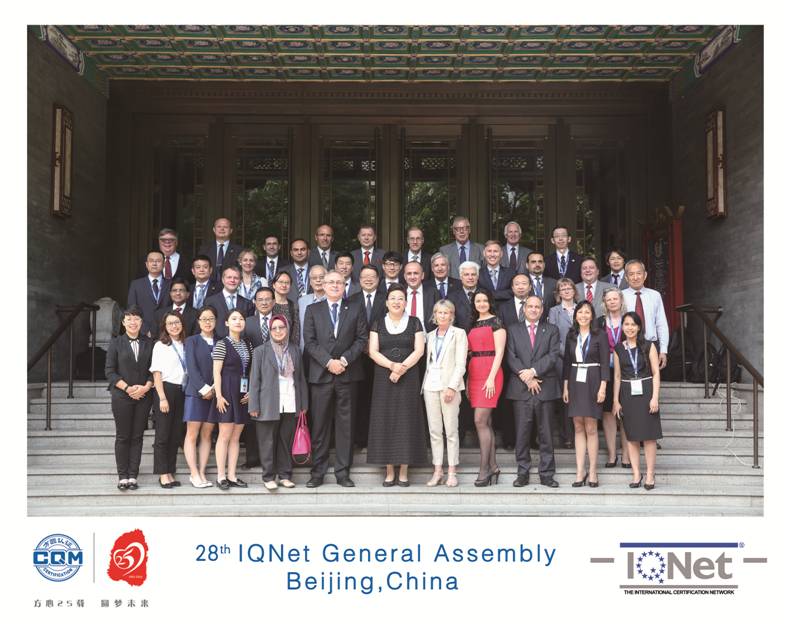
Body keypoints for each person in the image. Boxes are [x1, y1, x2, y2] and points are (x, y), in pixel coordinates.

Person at [302, 270, 369, 488]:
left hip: (348, 375)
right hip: (321, 376)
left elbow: (361, 339)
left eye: (339, 282)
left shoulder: (356, 308)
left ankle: (343, 472)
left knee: (345, 427)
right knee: (320, 426)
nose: (335, 285)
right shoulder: (313, 310)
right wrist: (328, 362)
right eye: (330, 282)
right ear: (323, 285)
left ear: (344, 286)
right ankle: (317, 472)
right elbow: (309, 341)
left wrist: (344, 360)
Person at [367, 284, 427, 486]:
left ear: (405, 302)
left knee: (406, 420)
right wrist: (392, 366)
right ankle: (389, 470)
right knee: (385, 420)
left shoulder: (414, 322)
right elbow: (373, 351)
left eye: (400, 298)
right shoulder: (378, 323)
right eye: (392, 298)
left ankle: (404, 470)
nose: (396, 302)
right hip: (383, 377)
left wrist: (402, 369)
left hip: (409, 378)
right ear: (386, 302)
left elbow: (419, 350)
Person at [506, 295, 561, 488]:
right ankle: (523, 473)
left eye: (537, 307)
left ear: (542, 309)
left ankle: (547, 474)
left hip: (545, 388)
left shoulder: (552, 330)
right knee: (522, 433)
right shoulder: (513, 329)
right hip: (521, 389)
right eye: (530, 306)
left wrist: (533, 371)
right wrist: (527, 377)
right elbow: (510, 356)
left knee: (546, 433)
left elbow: (553, 355)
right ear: (524, 309)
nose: (533, 309)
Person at [249, 315, 308, 490]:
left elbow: (300, 378)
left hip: (290, 402)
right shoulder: (260, 351)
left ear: (287, 329)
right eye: (274, 328)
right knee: (267, 442)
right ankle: (268, 477)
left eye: (281, 327)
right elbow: (254, 380)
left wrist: (303, 404)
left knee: (285, 441)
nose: (278, 331)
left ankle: (285, 475)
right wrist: (253, 405)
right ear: (269, 331)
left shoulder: (295, 350)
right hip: (267, 403)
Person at [105, 306, 154, 491]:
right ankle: (122, 476)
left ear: (141, 322)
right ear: (123, 323)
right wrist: (127, 388)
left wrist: (146, 387)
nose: (133, 322)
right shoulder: (116, 343)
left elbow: (154, 369)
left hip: (144, 396)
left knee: (137, 436)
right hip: (121, 396)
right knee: (123, 436)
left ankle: (133, 475)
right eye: (129, 319)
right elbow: (109, 371)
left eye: (137, 319)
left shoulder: (150, 343)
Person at [562, 301, 610, 488]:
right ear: (575, 315)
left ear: (592, 316)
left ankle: (593, 471)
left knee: (591, 427)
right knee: (578, 426)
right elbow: (567, 363)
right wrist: (565, 386)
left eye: (587, 312)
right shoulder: (571, 335)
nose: (583, 315)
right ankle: (580, 470)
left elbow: (605, 363)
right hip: (575, 380)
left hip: (593, 380)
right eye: (580, 312)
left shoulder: (600, 335)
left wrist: (603, 387)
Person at [612, 312, 662, 490]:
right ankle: (636, 474)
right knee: (632, 436)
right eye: (626, 324)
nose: (630, 328)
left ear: (639, 327)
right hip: (627, 393)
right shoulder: (618, 348)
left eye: (633, 324)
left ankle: (650, 474)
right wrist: (616, 400)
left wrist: (655, 397)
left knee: (649, 437)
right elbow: (617, 376)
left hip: (646, 391)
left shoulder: (648, 346)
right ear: (622, 327)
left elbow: (656, 373)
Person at [422, 299, 467, 487]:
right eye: (439, 312)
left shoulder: (459, 333)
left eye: (446, 312)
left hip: (450, 387)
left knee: (451, 430)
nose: (442, 315)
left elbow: (461, 364)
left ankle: (452, 471)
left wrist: (452, 387)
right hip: (430, 386)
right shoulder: (430, 335)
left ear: (451, 315)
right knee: (434, 431)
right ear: (434, 315)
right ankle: (438, 470)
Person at [208, 308, 252, 490]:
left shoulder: (248, 344)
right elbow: (216, 372)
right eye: (234, 319)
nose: (238, 321)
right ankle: (221, 476)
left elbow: (250, 370)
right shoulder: (222, 344)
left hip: (242, 392)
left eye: (241, 318)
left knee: (236, 437)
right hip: (226, 392)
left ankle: (232, 475)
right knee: (224, 435)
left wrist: (251, 391)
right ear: (226, 323)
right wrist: (218, 396)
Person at [467, 289, 506, 486]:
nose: (481, 304)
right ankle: (493, 466)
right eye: (478, 301)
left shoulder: (496, 322)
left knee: (479, 420)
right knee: (486, 422)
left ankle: (484, 470)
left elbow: (499, 353)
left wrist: (490, 378)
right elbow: (469, 353)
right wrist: (468, 381)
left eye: (484, 300)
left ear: (490, 302)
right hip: (474, 372)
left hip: (491, 372)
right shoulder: (473, 323)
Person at [150, 311, 188, 488]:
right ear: (165, 327)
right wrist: (162, 398)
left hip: (183, 390)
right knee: (163, 434)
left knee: (175, 434)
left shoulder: (186, 344)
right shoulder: (160, 345)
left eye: (177, 322)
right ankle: (162, 473)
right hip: (166, 390)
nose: (174, 326)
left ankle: (170, 471)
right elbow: (156, 373)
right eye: (170, 323)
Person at [349, 264, 385, 449]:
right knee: (360, 399)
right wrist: (362, 345)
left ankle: (378, 438)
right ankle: (360, 439)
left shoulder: (386, 299)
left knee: (379, 399)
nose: (368, 279)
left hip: (382, 357)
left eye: (372, 276)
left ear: (378, 280)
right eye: (365, 277)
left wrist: (375, 345)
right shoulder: (351, 300)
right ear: (359, 280)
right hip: (357, 357)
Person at [183, 305, 218, 488]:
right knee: (192, 434)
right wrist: (204, 389)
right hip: (195, 393)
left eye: (211, 318)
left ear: (216, 321)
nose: (207, 322)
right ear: (198, 322)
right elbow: (191, 367)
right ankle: (193, 473)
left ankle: (202, 472)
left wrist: (215, 389)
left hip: (215, 394)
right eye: (204, 319)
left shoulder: (221, 341)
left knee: (207, 434)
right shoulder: (192, 341)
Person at [597, 287, 631, 469]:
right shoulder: (599, 322)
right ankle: (612, 454)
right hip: (605, 373)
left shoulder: (629, 320)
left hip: (627, 370)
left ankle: (626, 454)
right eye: (608, 299)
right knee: (608, 412)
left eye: (615, 298)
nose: (612, 302)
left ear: (621, 300)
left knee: (625, 412)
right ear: (604, 302)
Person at [547, 277, 580, 449]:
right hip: (561, 360)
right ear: (558, 293)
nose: (566, 291)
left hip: (582, 360)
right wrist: (568, 354)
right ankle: (567, 436)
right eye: (563, 289)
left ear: (574, 291)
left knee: (578, 397)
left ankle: (579, 435)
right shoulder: (554, 311)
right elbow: (553, 336)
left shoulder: (582, 308)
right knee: (564, 399)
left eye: (569, 288)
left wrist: (580, 353)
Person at [622, 260, 670, 370]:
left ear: (645, 275)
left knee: (653, 378)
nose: (635, 277)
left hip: (651, 345)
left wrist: (663, 350)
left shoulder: (655, 295)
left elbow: (661, 323)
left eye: (639, 273)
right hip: (627, 345)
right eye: (631, 274)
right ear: (626, 278)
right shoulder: (620, 296)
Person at [127, 250, 170, 337]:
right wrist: (144, 330)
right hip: (143, 334)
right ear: (146, 264)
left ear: (164, 264)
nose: (154, 264)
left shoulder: (171, 284)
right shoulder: (136, 284)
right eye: (151, 261)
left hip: (167, 332)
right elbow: (132, 310)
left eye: (158, 261)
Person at [204, 265, 254, 338]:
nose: (232, 280)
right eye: (229, 277)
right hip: (216, 342)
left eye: (236, 278)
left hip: (240, 342)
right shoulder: (210, 302)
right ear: (223, 280)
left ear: (240, 281)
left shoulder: (248, 303)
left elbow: (248, 327)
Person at [439, 215, 485, 279]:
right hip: (453, 285)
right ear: (454, 232)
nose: (461, 232)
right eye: (458, 229)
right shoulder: (444, 251)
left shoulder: (481, 249)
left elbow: (484, 273)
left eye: (464, 228)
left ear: (469, 230)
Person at [402, 260, 438, 333]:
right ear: (405, 276)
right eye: (409, 274)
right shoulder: (399, 292)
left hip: (427, 336)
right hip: (403, 336)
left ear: (422, 275)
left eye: (416, 273)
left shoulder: (433, 293)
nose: (412, 277)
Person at [298, 266, 327, 350]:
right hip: (306, 350)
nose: (318, 280)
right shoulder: (302, 301)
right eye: (314, 278)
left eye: (321, 277)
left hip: (328, 351)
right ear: (310, 282)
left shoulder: (333, 300)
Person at [448, 260, 481, 332]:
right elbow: (450, 321)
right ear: (461, 277)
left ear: (478, 277)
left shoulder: (485, 294)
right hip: (460, 336)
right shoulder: (452, 297)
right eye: (466, 275)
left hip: (481, 335)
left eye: (473, 274)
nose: (470, 277)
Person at [271, 270, 300, 345]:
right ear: (274, 285)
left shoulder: (293, 306)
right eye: (280, 282)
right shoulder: (267, 304)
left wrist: (293, 349)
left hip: (288, 348)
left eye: (287, 283)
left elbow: (295, 332)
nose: (284, 285)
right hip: (268, 348)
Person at [526, 252, 557, 318]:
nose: (537, 264)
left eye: (540, 262)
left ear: (544, 265)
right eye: (533, 262)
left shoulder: (554, 283)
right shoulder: (522, 283)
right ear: (527, 265)